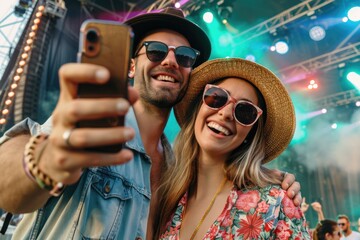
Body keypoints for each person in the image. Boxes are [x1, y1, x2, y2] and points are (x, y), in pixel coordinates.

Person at [0, 8, 301, 240]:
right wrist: (45, 160)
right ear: (132, 65)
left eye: (184, 57)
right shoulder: (92, 128)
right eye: (156, 51)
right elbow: (7, 183)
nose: (170, 61)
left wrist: (260, 178)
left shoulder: (177, 176)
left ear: (189, 75)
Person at [154, 58, 310, 239]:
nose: (226, 113)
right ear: (198, 107)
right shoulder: (163, 198)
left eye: (244, 111)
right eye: (217, 97)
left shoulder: (275, 203)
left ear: (251, 133)